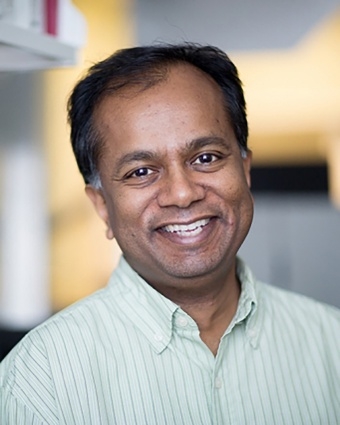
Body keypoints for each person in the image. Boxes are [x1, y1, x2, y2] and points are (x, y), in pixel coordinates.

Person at [0, 43, 339, 425]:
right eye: (141, 171)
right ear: (102, 207)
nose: (182, 193)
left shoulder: (332, 345)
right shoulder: (39, 381)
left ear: (245, 171)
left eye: (206, 158)